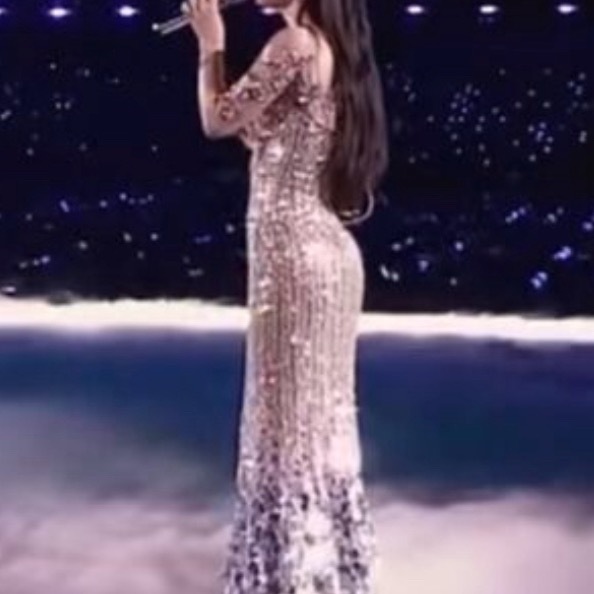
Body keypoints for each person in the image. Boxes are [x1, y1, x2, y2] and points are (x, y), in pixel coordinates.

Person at [183, 0, 389, 590]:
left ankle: (285, 578)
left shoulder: (295, 45)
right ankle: (324, 572)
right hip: (325, 258)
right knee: (315, 424)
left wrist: (210, 42)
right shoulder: (328, 50)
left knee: (284, 428)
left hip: (296, 263)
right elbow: (263, 133)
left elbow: (218, 119)